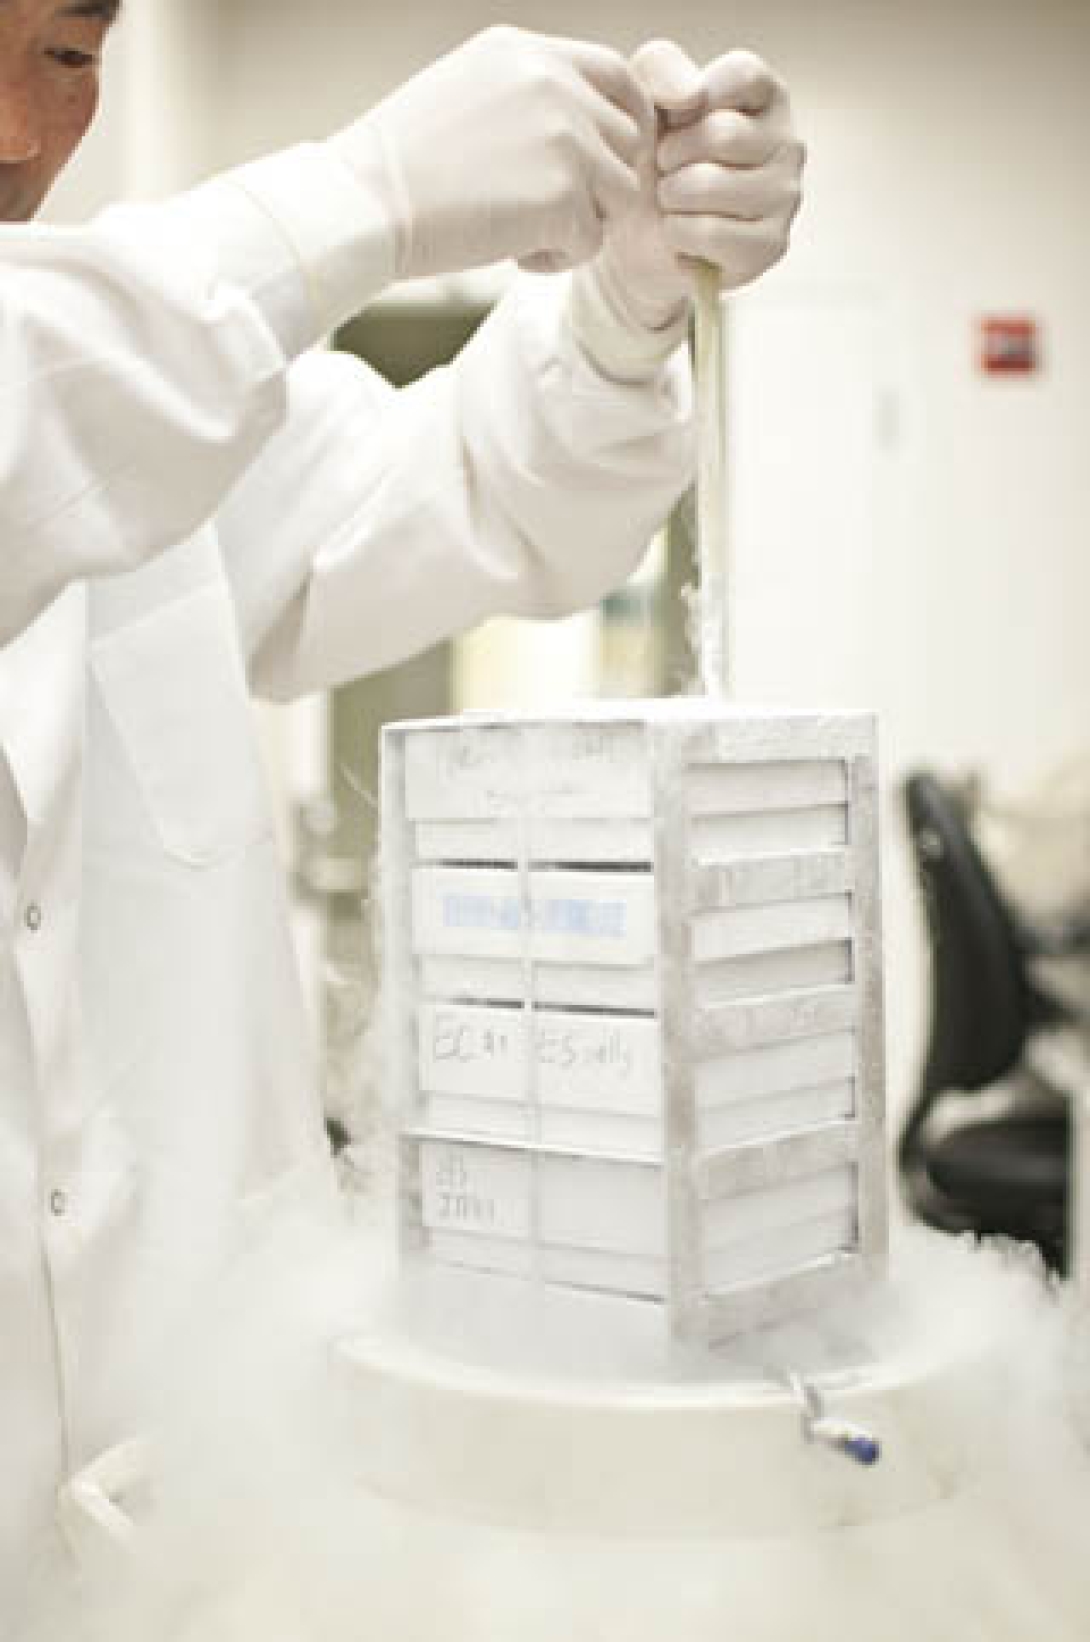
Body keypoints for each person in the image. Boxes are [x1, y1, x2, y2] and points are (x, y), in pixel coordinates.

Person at [0, 0, 804, 1617]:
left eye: (70, 58)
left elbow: (468, 488)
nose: (22, 131)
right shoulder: (91, 371)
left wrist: (621, 307)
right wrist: (362, 191)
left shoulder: (144, 389)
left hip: (199, 1494)